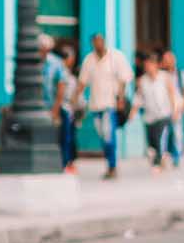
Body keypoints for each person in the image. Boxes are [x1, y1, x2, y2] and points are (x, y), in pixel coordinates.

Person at [78, 32, 133, 180]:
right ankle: (110, 162)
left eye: (100, 41)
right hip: (96, 105)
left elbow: (124, 79)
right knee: (102, 135)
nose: (98, 44)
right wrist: (75, 100)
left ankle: (112, 165)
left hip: (110, 104)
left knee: (109, 135)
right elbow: (82, 82)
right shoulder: (89, 60)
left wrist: (120, 98)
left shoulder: (116, 57)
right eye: (95, 41)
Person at [135, 55, 176, 170]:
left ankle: (158, 162)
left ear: (156, 65)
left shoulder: (164, 77)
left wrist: (174, 110)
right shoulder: (142, 80)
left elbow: (171, 93)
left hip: (163, 113)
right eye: (146, 66)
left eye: (150, 65)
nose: (148, 68)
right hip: (149, 115)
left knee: (159, 137)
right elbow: (139, 97)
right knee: (151, 141)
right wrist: (133, 112)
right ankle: (159, 159)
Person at [52, 42, 83, 171]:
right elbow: (63, 93)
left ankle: (68, 162)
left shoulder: (65, 73)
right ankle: (65, 162)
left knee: (68, 138)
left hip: (69, 110)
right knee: (65, 138)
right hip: (64, 109)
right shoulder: (62, 72)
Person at [162, 50, 184, 168]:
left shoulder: (181, 74)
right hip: (164, 109)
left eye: (169, 60)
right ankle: (163, 156)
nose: (167, 63)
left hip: (177, 107)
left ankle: (176, 157)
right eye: (165, 60)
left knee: (177, 133)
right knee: (164, 133)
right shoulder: (161, 75)